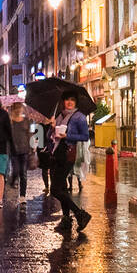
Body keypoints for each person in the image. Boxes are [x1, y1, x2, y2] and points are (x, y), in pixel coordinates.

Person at [49, 89, 92, 235]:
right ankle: (66, 220)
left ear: (75, 102)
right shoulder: (60, 115)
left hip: (67, 154)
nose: (69, 102)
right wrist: (52, 126)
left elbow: (85, 136)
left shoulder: (79, 117)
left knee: (55, 189)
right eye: (67, 99)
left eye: (72, 100)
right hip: (56, 153)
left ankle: (80, 214)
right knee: (62, 188)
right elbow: (52, 135)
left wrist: (68, 135)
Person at [7, 100, 33, 207]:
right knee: (16, 170)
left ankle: (22, 196)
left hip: (25, 150)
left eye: (20, 107)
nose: (18, 109)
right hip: (13, 150)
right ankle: (12, 181)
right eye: (16, 108)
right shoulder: (9, 122)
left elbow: (30, 134)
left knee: (23, 173)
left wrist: (32, 147)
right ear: (13, 109)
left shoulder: (27, 120)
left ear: (22, 108)